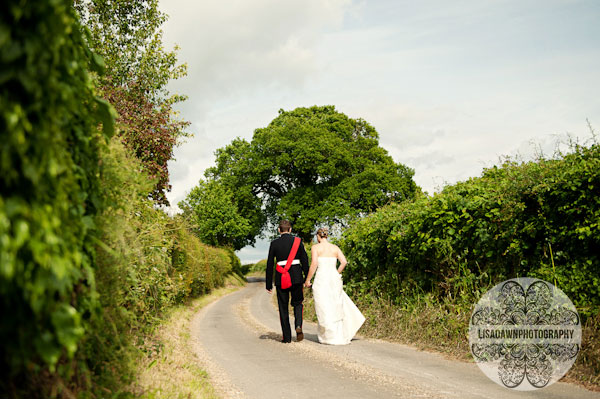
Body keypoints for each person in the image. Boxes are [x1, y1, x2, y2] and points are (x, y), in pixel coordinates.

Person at [304, 227, 365, 345]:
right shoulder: (335, 248)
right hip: (333, 278)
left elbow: (314, 263)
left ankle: (327, 336)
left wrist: (308, 279)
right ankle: (337, 334)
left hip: (322, 278)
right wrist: (336, 273)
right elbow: (344, 262)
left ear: (318, 236)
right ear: (326, 236)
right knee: (334, 304)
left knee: (323, 305)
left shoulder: (315, 248)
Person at [266, 220, 309, 343]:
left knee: (283, 307)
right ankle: (298, 325)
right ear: (290, 230)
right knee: (298, 303)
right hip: (296, 277)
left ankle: (287, 337)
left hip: (281, 278)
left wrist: (269, 284)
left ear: (279, 230)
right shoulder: (298, 241)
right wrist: (307, 278)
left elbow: (269, 264)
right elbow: (305, 261)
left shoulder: (274, 243)